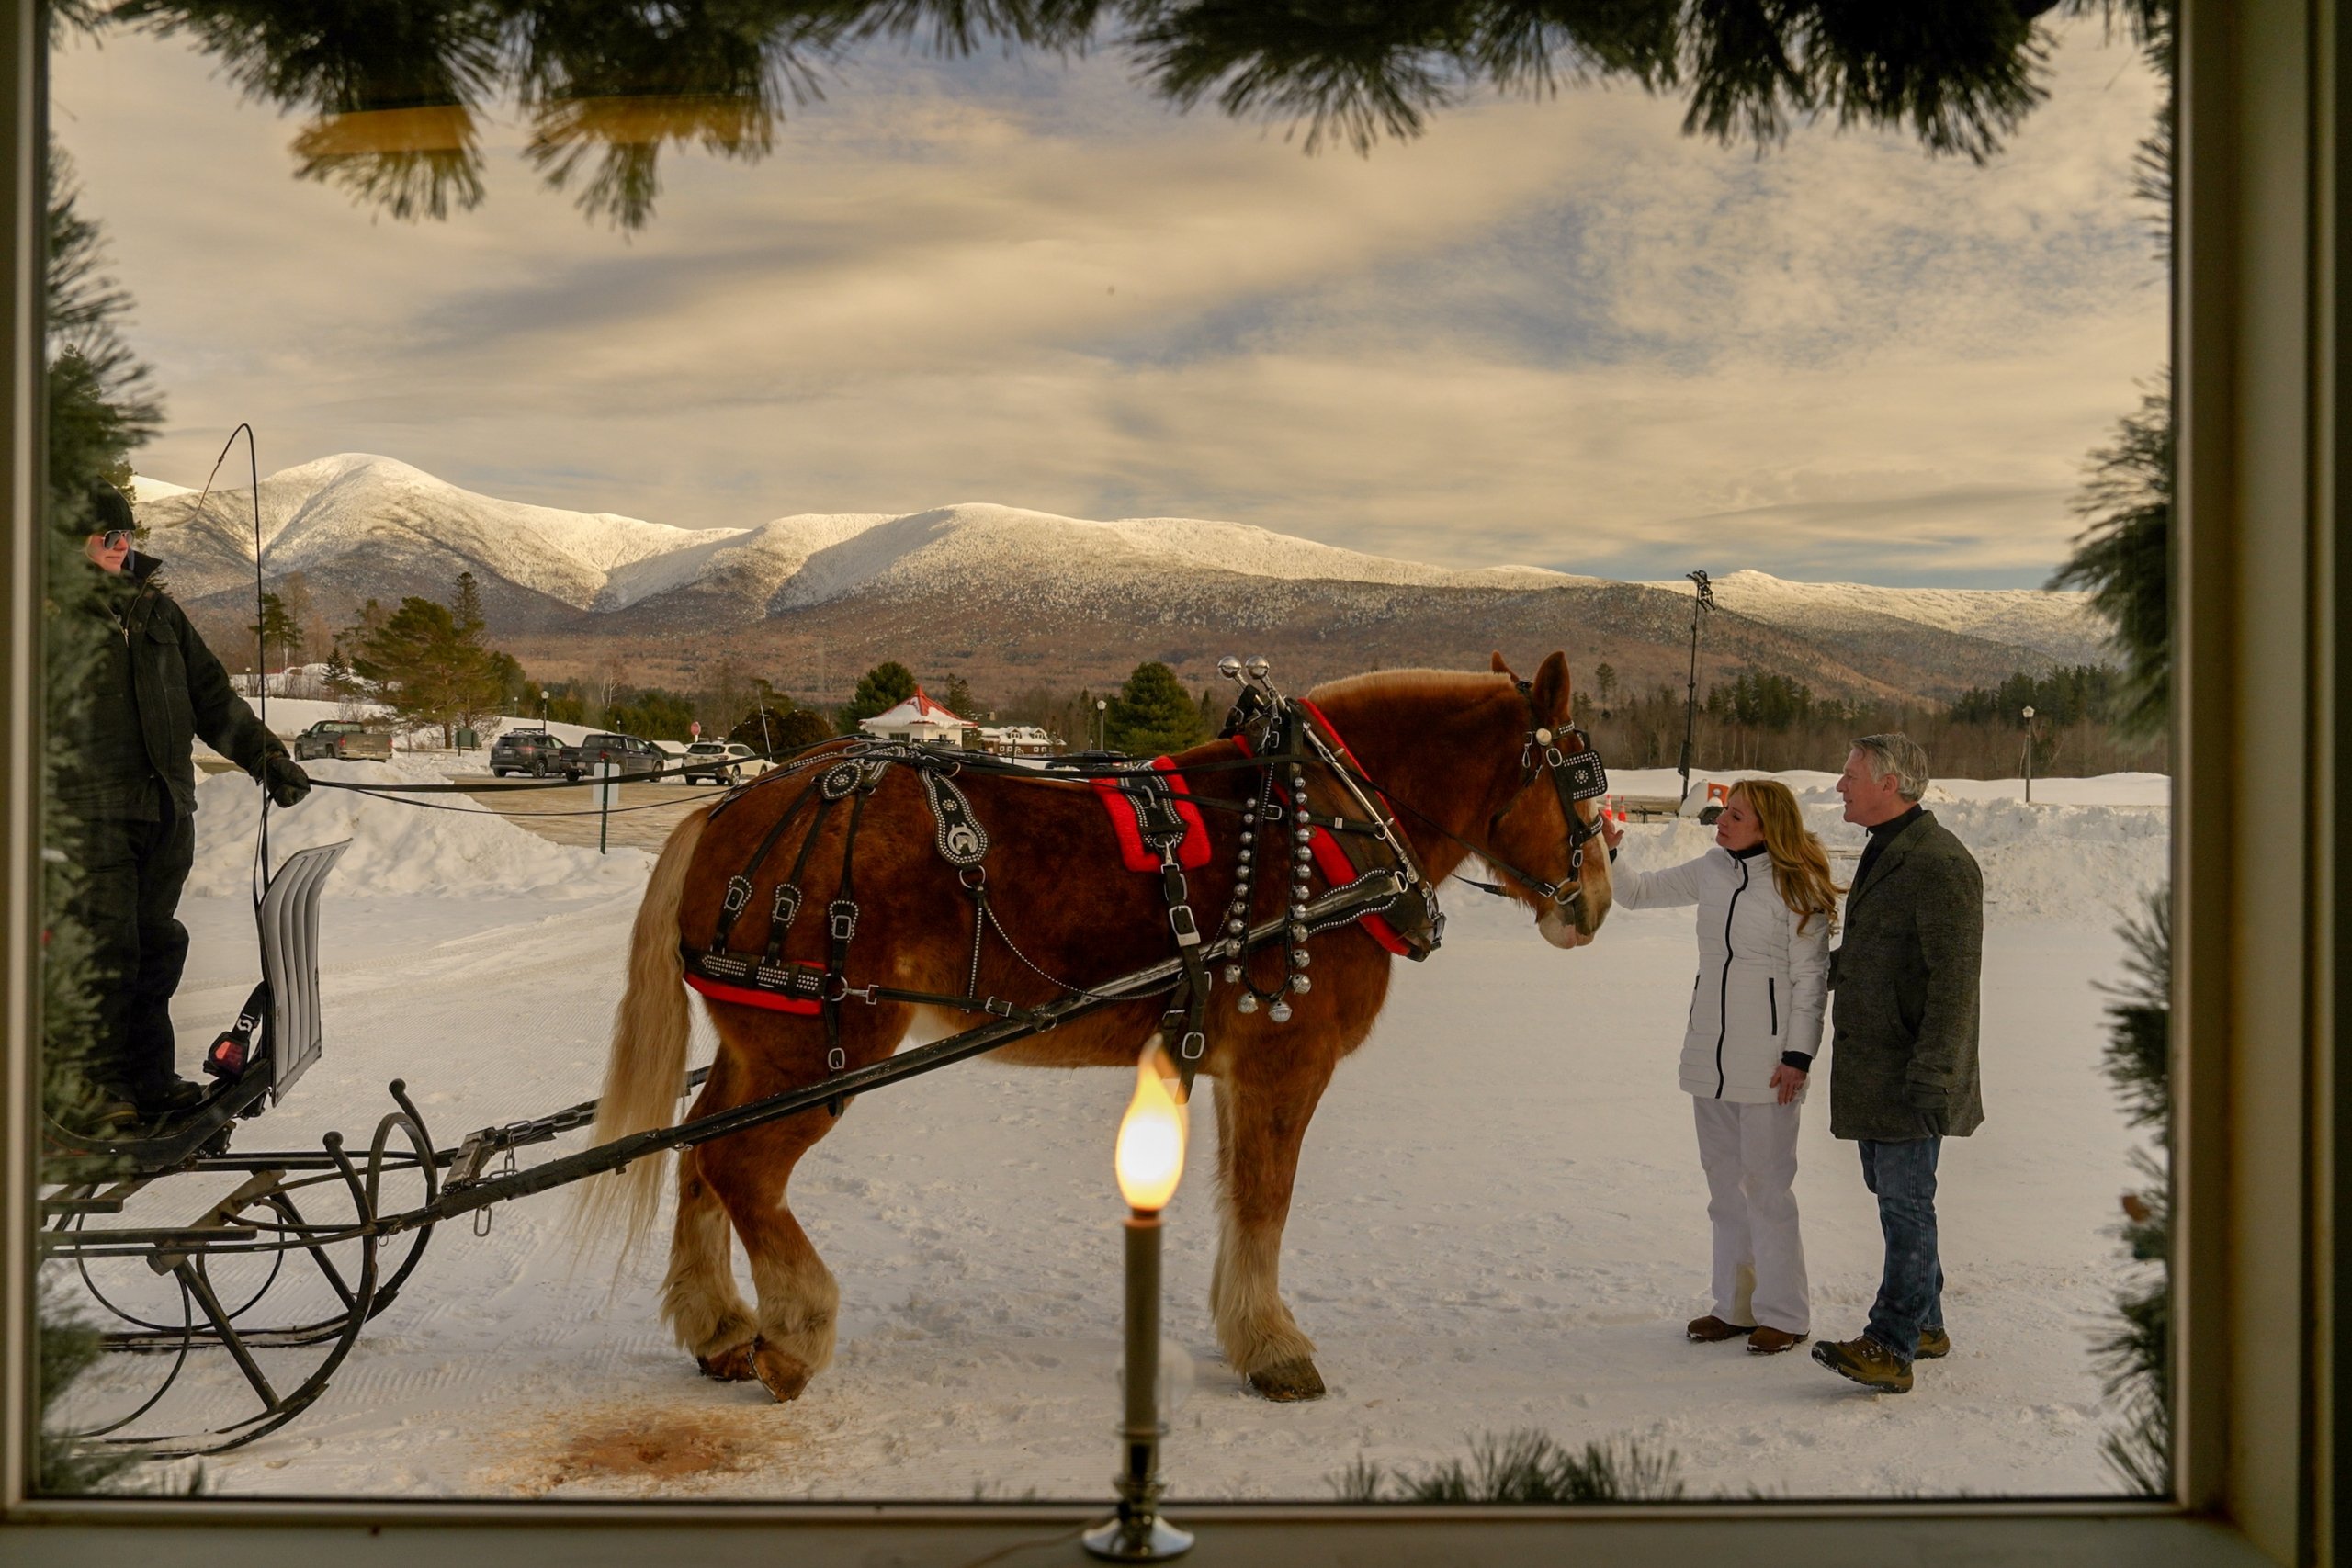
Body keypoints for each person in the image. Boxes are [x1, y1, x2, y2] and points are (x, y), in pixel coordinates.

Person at [55, 481, 311, 1124]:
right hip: (88, 814)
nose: (121, 546)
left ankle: (148, 1077)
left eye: (127, 535)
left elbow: (212, 699)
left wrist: (267, 757)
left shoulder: (156, 611)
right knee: (107, 947)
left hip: (164, 812)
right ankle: (97, 1087)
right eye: (106, 536)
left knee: (156, 946)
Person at [1599, 778, 1838, 1356]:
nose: (1722, 822)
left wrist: (1798, 1056)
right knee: (1724, 1191)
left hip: (1770, 1064)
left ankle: (1785, 1312)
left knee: (1768, 1189)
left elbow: (1811, 980)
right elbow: (1635, 893)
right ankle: (1734, 1307)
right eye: (1724, 812)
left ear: (1766, 825)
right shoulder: (1711, 868)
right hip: (1710, 1058)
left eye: (1735, 815)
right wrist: (1609, 851)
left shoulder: (1795, 883)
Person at [1809, 733, 1984, 1395]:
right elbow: (1886, 953)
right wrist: (1817, 970)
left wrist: (1933, 1074)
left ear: (1892, 782)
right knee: (1896, 1197)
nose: (1839, 785)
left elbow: (1953, 982)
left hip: (1912, 1073)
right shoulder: (1891, 849)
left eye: (1850, 773)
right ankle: (1928, 1320)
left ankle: (1892, 1341)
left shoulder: (1941, 863)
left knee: (1907, 1206)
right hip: (1877, 1069)